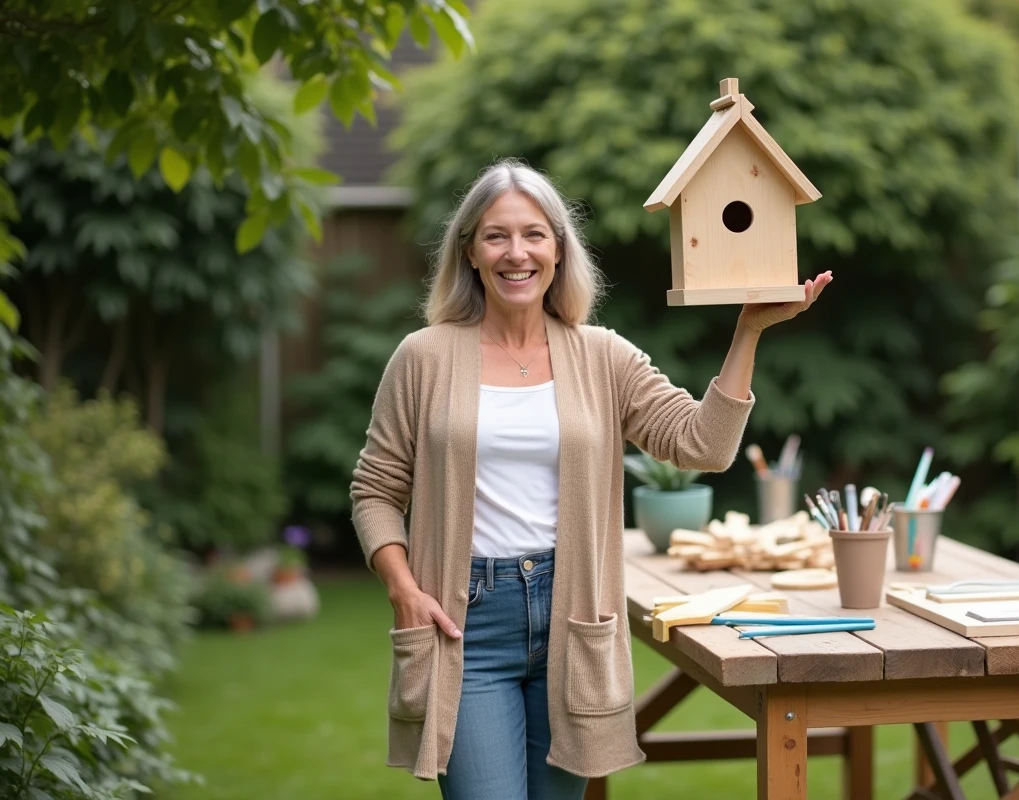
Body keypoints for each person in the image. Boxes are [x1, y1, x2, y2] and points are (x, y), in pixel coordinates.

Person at [349, 158, 832, 800]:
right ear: (469, 251)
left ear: (557, 249)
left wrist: (748, 330)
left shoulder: (602, 356)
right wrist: (404, 590)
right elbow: (376, 490)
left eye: (533, 234)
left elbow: (702, 445)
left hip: (573, 615)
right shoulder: (424, 357)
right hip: (466, 624)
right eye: (496, 235)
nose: (515, 253)